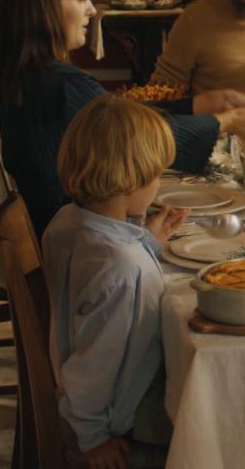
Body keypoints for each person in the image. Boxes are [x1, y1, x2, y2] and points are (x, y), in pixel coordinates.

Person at [0, 0, 245, 236]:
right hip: (80, 248)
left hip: (57, 239)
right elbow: (136, 136)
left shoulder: (21, 76)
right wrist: (226, 121)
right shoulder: (59, 85)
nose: (92, 9)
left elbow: (119, 114)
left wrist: (197, 105)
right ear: (43, 7)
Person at [43, 95, 183, 468]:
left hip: (91, 393)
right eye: (156, 175)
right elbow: (96, 362)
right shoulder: (124, 269)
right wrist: (91, 438)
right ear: (130, 178)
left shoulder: (65, 222)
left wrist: (146, 241)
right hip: (126, 413)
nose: (158, 184)